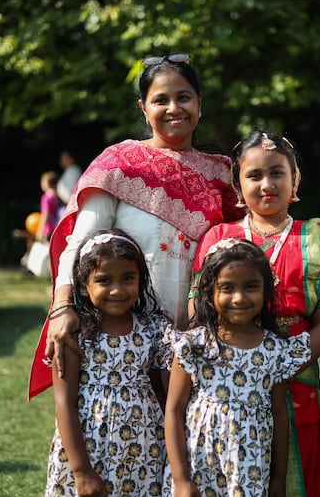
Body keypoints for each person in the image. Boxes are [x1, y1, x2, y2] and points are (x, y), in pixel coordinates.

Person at [28, 54, 244, 399]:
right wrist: (62, 307)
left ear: (199, 104)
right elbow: (79, 244)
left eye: (184, 97)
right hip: (127, 342)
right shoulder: (119, 165)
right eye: (161, 100)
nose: (174, 107)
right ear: (144, 108)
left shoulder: (223, 175)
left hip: (204, 341)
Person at [190, 131, 320, 496]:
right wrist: (245, 363)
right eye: (254, 175)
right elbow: (199, 311)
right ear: (237, 185)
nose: (267, 184)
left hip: (299, 375)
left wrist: (281, 361)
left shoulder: (315, 238)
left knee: (300, 478)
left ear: (295, 180)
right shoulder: (219, 238)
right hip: (232, 383)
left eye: (277, 173)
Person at [165, 237, 310, 497]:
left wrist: (277, 480)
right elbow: (173, 412)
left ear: (266, 290)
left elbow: (279, 415)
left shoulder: (275, 350)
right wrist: (181, 480)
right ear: (210, 291)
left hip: (249, 472)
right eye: (227, 288)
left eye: (251, 286)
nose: (239, 297)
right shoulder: (193, 346)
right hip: (198, 470)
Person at [45, 229, 169, 496]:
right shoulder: (74, 334)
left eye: (128, 278)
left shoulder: (154, 329)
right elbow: (63, 403)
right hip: (88, 452)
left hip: (143, 450)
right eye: (103, 280)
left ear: (141, 279)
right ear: (83, 284)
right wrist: (81, 471)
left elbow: (165, 393)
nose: (117, 289)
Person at [35, 171, 61, 243]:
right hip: (58, 228)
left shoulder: (46, 197)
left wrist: (40, 231)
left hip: (49, 230)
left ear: (47, 184)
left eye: (42, 182)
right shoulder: (58, 196)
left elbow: (45, 214)